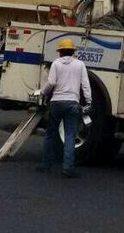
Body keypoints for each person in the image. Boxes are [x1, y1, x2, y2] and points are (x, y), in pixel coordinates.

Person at [37, 37, 92, 178]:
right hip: (73, 104)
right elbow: (85, 85)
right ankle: (67, 168)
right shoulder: (80, 65)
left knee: (50, 134)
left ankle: (45, 165)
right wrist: (89, 102)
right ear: (73, 52)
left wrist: (42, 93)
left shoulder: (56, 64)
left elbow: (51, 82)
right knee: (69, 136)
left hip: (56, 103)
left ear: (60, 52)